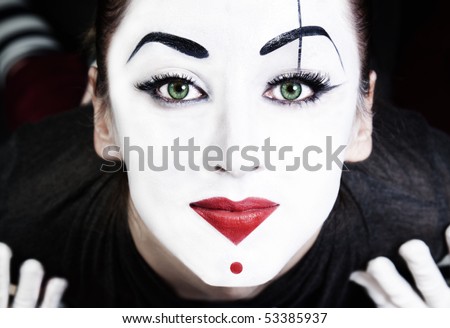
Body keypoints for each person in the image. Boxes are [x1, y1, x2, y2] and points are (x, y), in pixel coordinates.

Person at [0, 0, 449, 307]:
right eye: (176, 87)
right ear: (103, 117)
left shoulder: (434, 198)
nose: (236, 156)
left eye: (294, 88)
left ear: (361, 118)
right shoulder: (17, 203)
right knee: (33, 81)